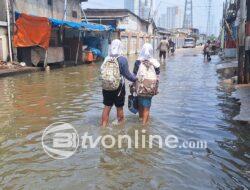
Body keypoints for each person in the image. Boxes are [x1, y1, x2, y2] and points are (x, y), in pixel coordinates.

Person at [101, 39, 137, 127]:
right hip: (118, 87)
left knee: (107, 106)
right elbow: (128, 75)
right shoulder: (122, 59)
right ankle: (120, 127)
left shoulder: (106, 58)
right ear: (120, 47)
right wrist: (136, 79)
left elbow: (101, 71)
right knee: (119, 107)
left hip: (106, 86)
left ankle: (103, 126)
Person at [133, 43, 160, 125]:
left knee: (140, 104)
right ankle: (144, 126)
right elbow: (158, 75)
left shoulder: (138, 62)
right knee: (147, 107)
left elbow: (134, 74)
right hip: (150, 88)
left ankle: (141, 120)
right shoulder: (155, 62)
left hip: (140, 87)